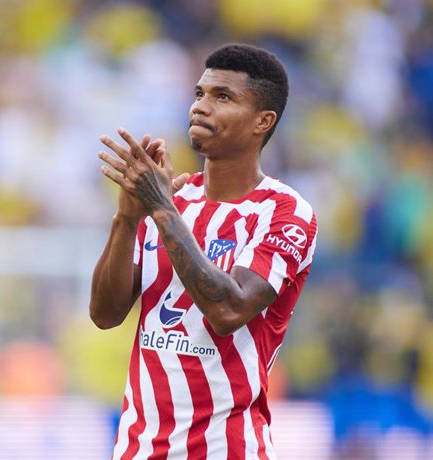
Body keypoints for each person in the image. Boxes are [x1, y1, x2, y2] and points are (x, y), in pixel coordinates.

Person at [90, 43, 318, 459]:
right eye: (199, 94)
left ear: (262, 122)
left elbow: (230, 310)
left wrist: (159, 209)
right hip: (137, 449)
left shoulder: (284, 212)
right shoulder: (174, 200)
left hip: (226, 449)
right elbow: (104, 314)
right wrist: (126, 219)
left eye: (222, 97)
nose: (200, 107)